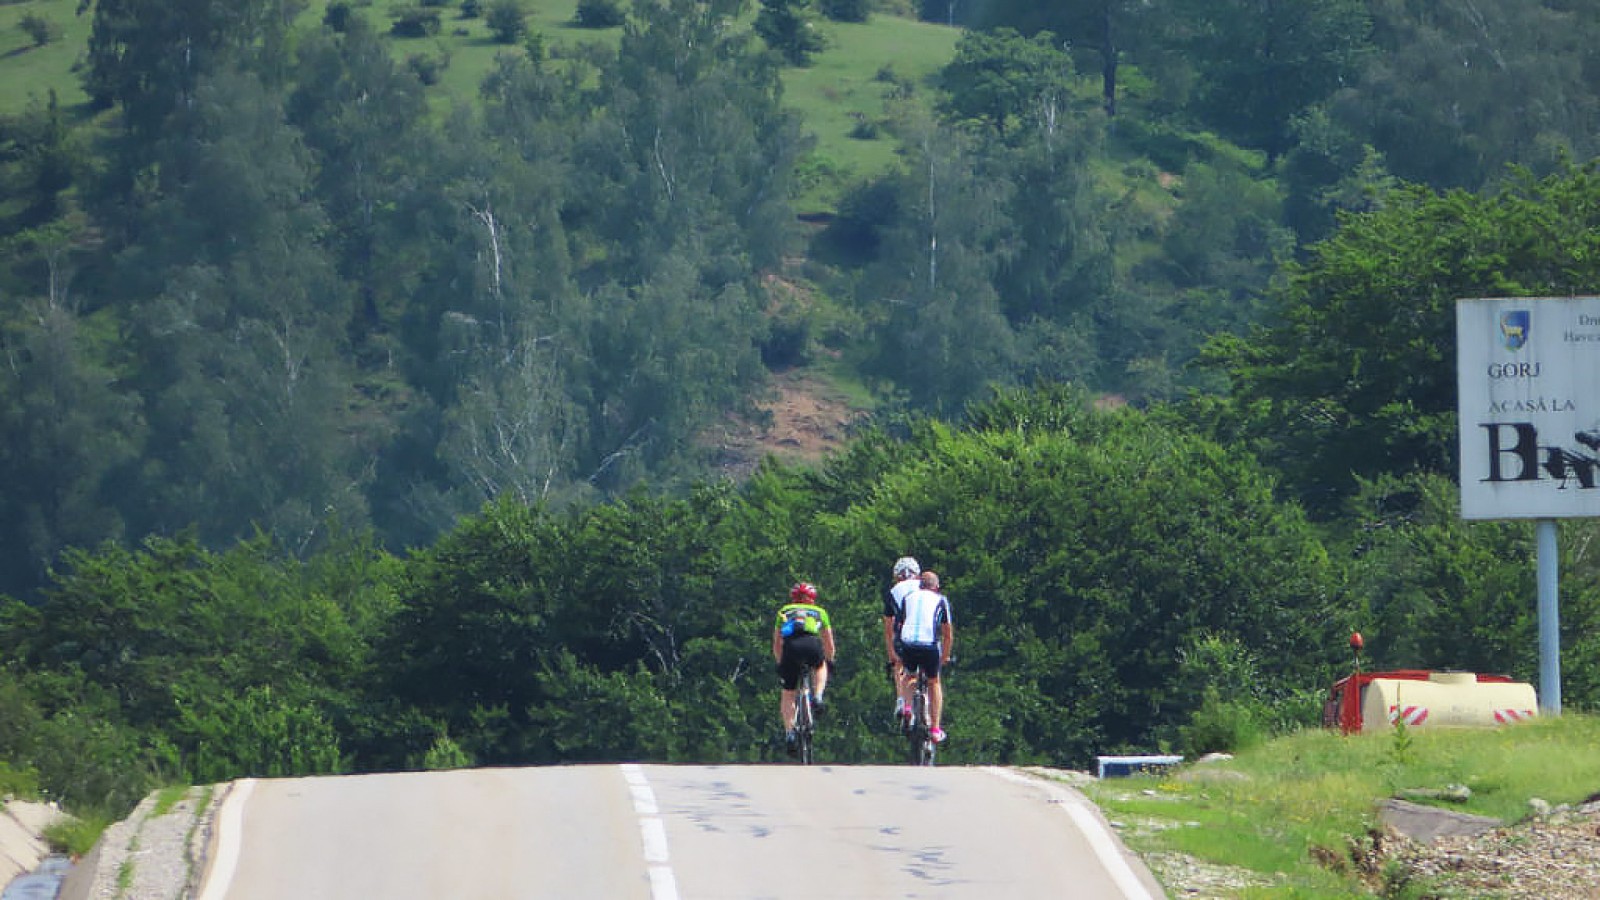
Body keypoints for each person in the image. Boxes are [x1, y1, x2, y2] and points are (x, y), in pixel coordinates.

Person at [773, 581, 835, 755]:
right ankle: (818, 696)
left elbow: (777, 642)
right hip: (811, 644)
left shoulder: (784, 611)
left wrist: (780, 663)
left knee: (788, 693)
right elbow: (829, 643)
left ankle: (789, 733)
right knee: (820, 666)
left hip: (791, 648)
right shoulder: (820, 612)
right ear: (812, 598)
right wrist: (830, 660)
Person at [897, 570, 953, 742]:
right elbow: (947, 634)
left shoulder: (908, 598)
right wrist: (945, 657)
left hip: (908, 643)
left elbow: (900, 624)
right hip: (929, 645)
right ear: (936, 587)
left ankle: (907, 708)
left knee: (909, 675)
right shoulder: (941, 600)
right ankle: (935, 729)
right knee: (934, 681)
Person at [883, 556, 921, 725]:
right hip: (927, 636)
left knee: (899, 663)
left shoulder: (893, 591)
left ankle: (901, 700)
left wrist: (891, 652)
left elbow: (888, 627)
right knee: (932, 674)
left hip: (904, 635)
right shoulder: (925, 587)